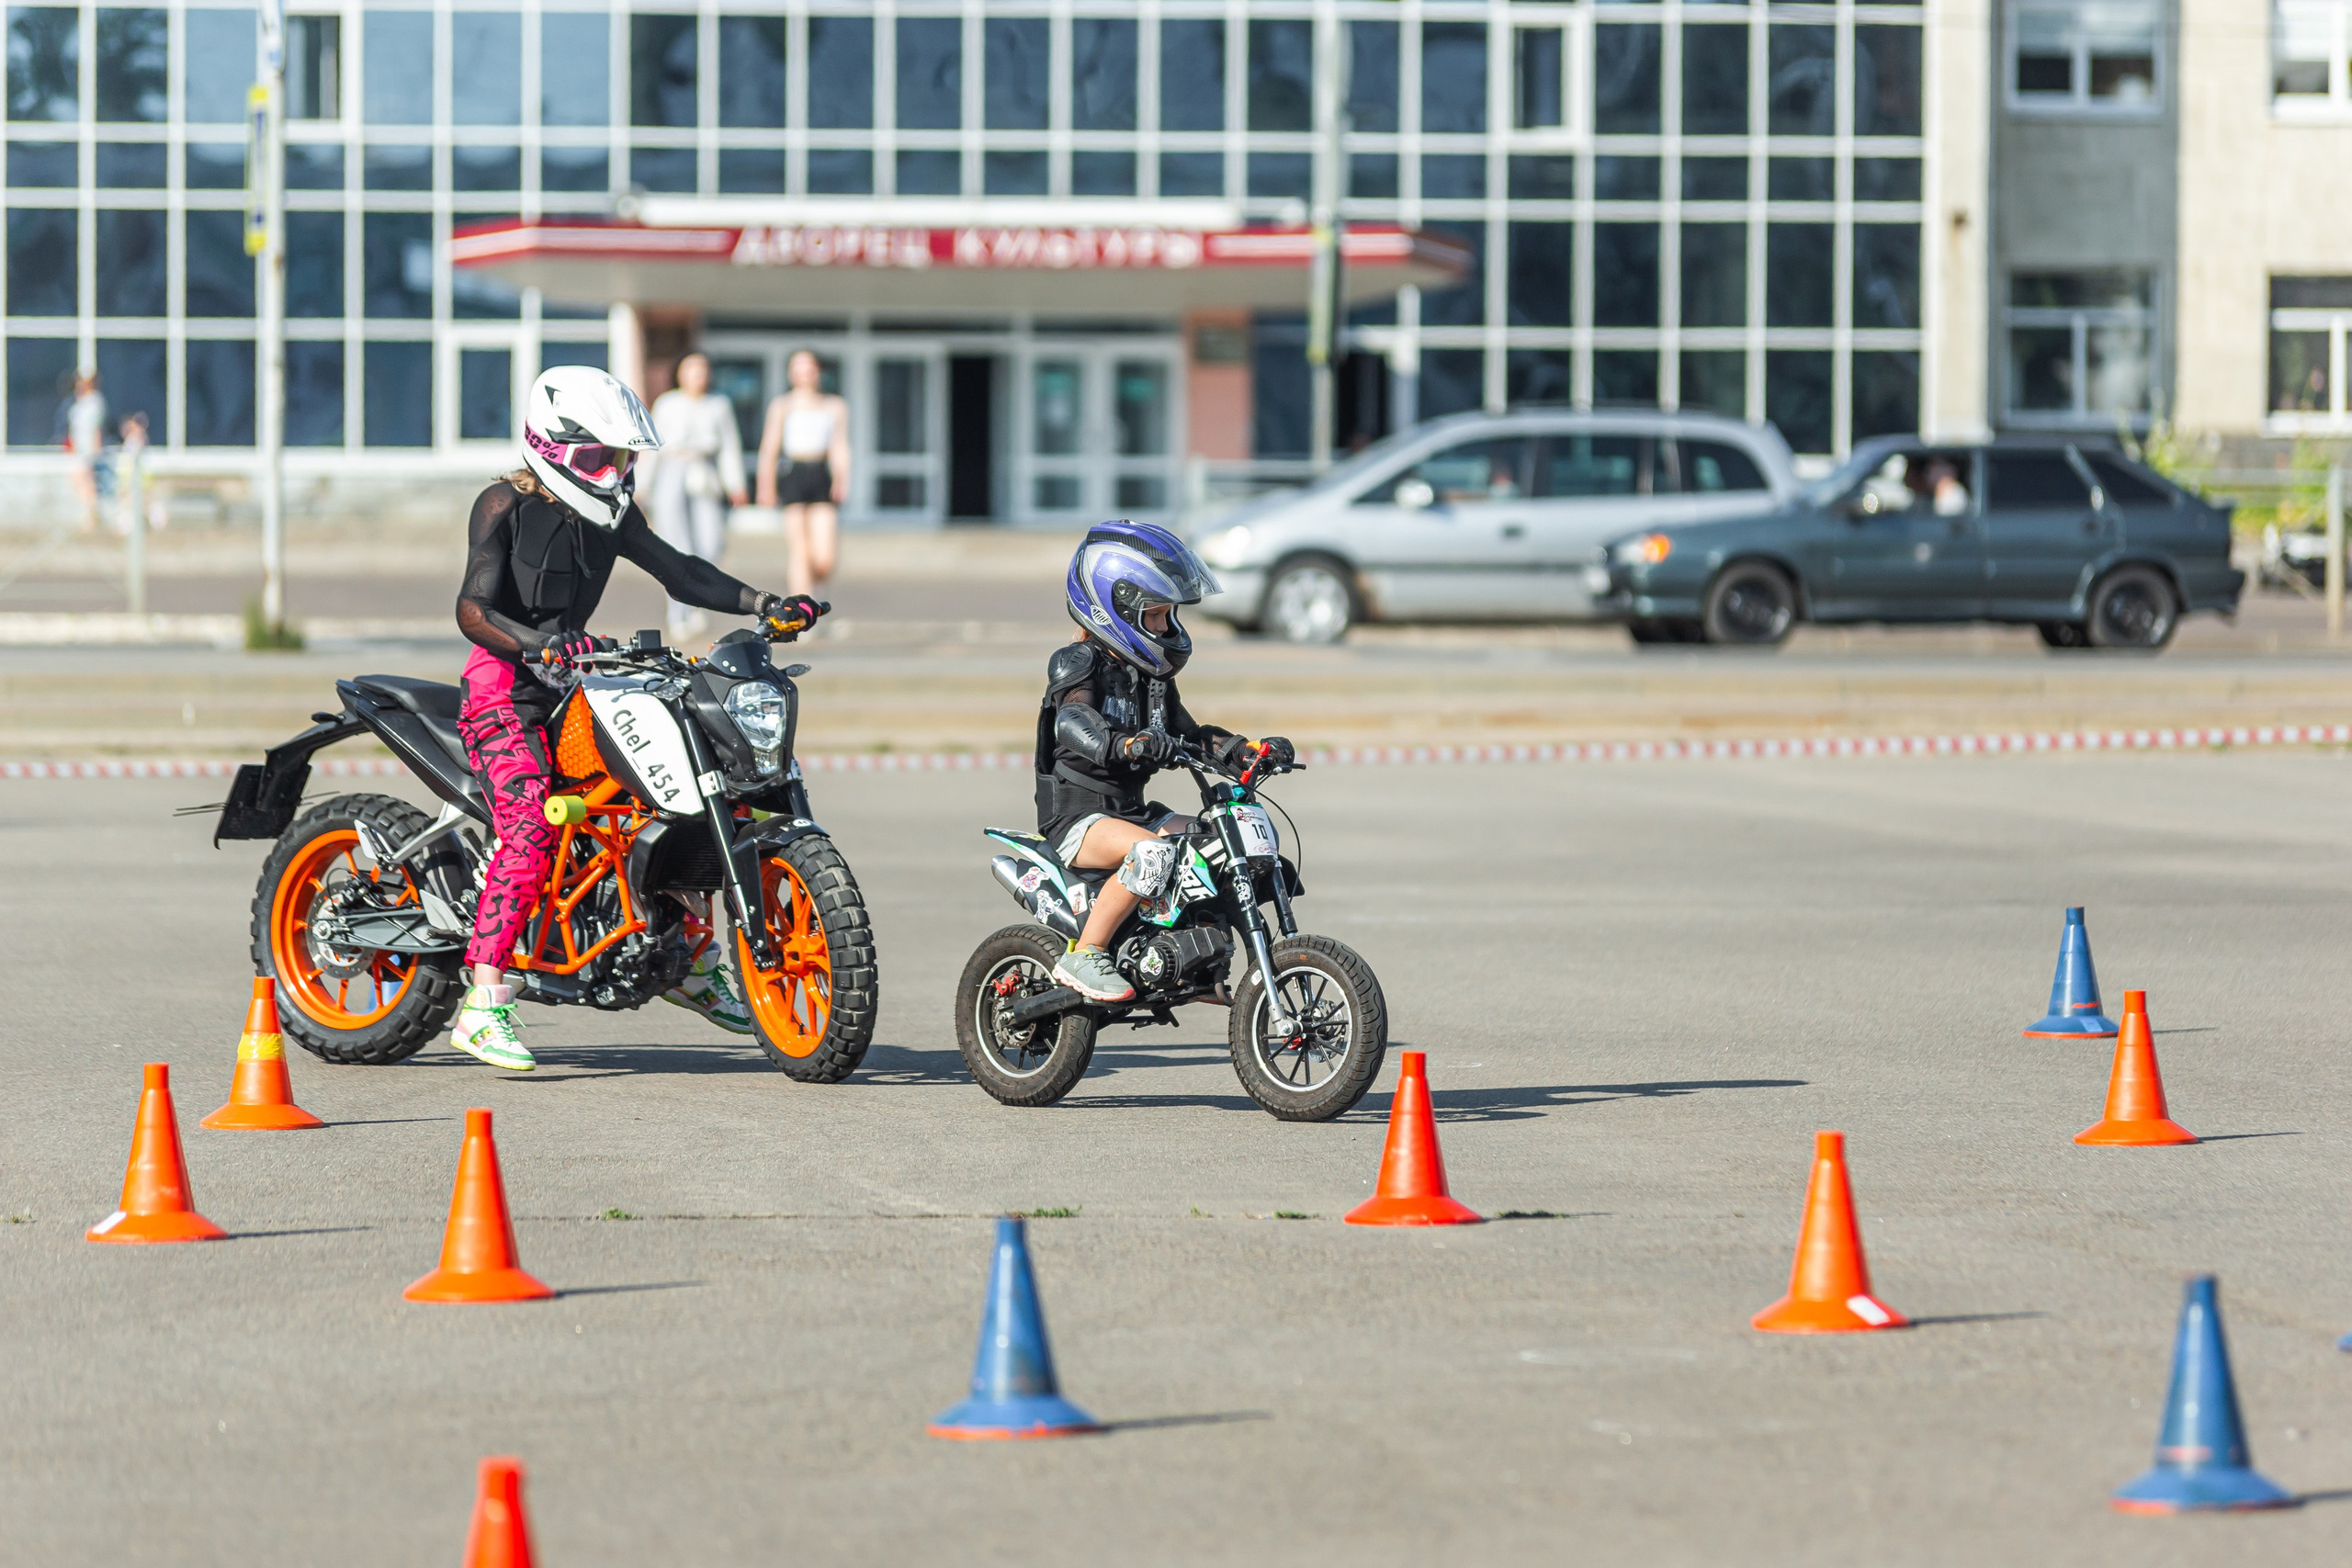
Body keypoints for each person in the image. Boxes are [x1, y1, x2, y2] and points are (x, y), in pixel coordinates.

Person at [447, 365, 819, 1072]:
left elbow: (683, 573)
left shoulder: (615, 514)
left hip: (574, 681)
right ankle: (484, 1001)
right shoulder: (502, 505)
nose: (614, 472)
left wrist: (763, 602)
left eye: (622, 458)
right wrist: (540, 643)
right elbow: (472, 611)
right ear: (550, 446)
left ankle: (688, 961)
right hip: (502, 685)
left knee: (666, 795)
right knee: (529, 821)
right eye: (598, 457)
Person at [1036, 521, 1293, 1003]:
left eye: (1169, 616)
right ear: (1117, 609)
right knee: (1154, 854)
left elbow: (1191, 735)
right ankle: (1086, 952)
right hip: (1078, 816)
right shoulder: (1077, 662)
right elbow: (1070, 722)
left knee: (1213, 846)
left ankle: (1193, 958)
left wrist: (1245, 753)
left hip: (1130, 810)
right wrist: (1126, 745)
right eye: (1156, 616)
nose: (1168, 627)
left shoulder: (1151, 679)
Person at [644, 351, 747, 644]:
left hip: (704, 473)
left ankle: (699, 600)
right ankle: (679, 615)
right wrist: (642, 487)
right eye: (691, 369)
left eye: (702, 369)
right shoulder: (668, 403)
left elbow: (729, 446)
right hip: (672, 472)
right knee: (677, 546)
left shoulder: (718, 404)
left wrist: (735, 484)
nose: (697, 376)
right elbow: (652, 447)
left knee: (711, 543)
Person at [754, 349, 851, 597]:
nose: (804, 373)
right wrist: (766, 486)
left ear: (818, 371)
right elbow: (769, 448)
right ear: (791, 372)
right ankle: (802, 611)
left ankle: (815, 586)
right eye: (799, 367)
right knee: (800, 550)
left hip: (820, 474)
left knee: (824, 557)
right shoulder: (782, 405)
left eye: (809, 366)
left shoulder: (834, 405)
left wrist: (842, 479)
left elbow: (839, 446)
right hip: (793, 473)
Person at [62, 371, 107, 533]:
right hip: (77, 449)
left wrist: (95, 450)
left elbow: (95, 429)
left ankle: (91, 515)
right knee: (78, 482)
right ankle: (88, 513)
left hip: (86, 450)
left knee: (86, 483)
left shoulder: (94, 403)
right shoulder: (80, 403)